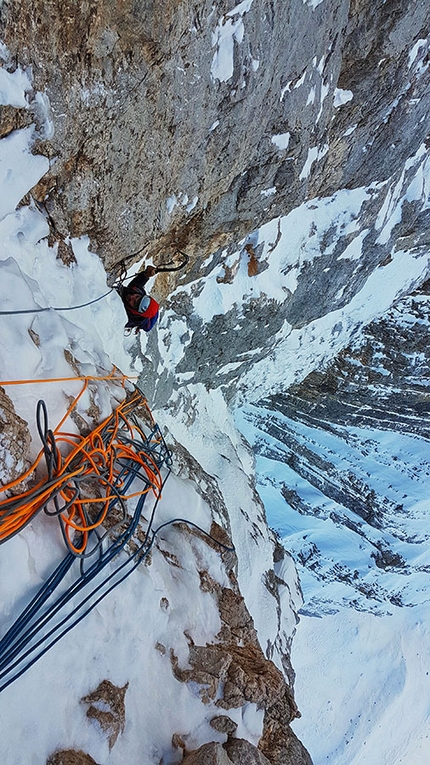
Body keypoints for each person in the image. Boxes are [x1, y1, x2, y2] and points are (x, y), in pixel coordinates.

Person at [120, 265, 160, 333]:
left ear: (136, 311)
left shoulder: (127, 318)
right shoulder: (139, 292)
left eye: (134, 303)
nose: (132, 297)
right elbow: (137, 284)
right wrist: (146, 275)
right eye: (137, 296)